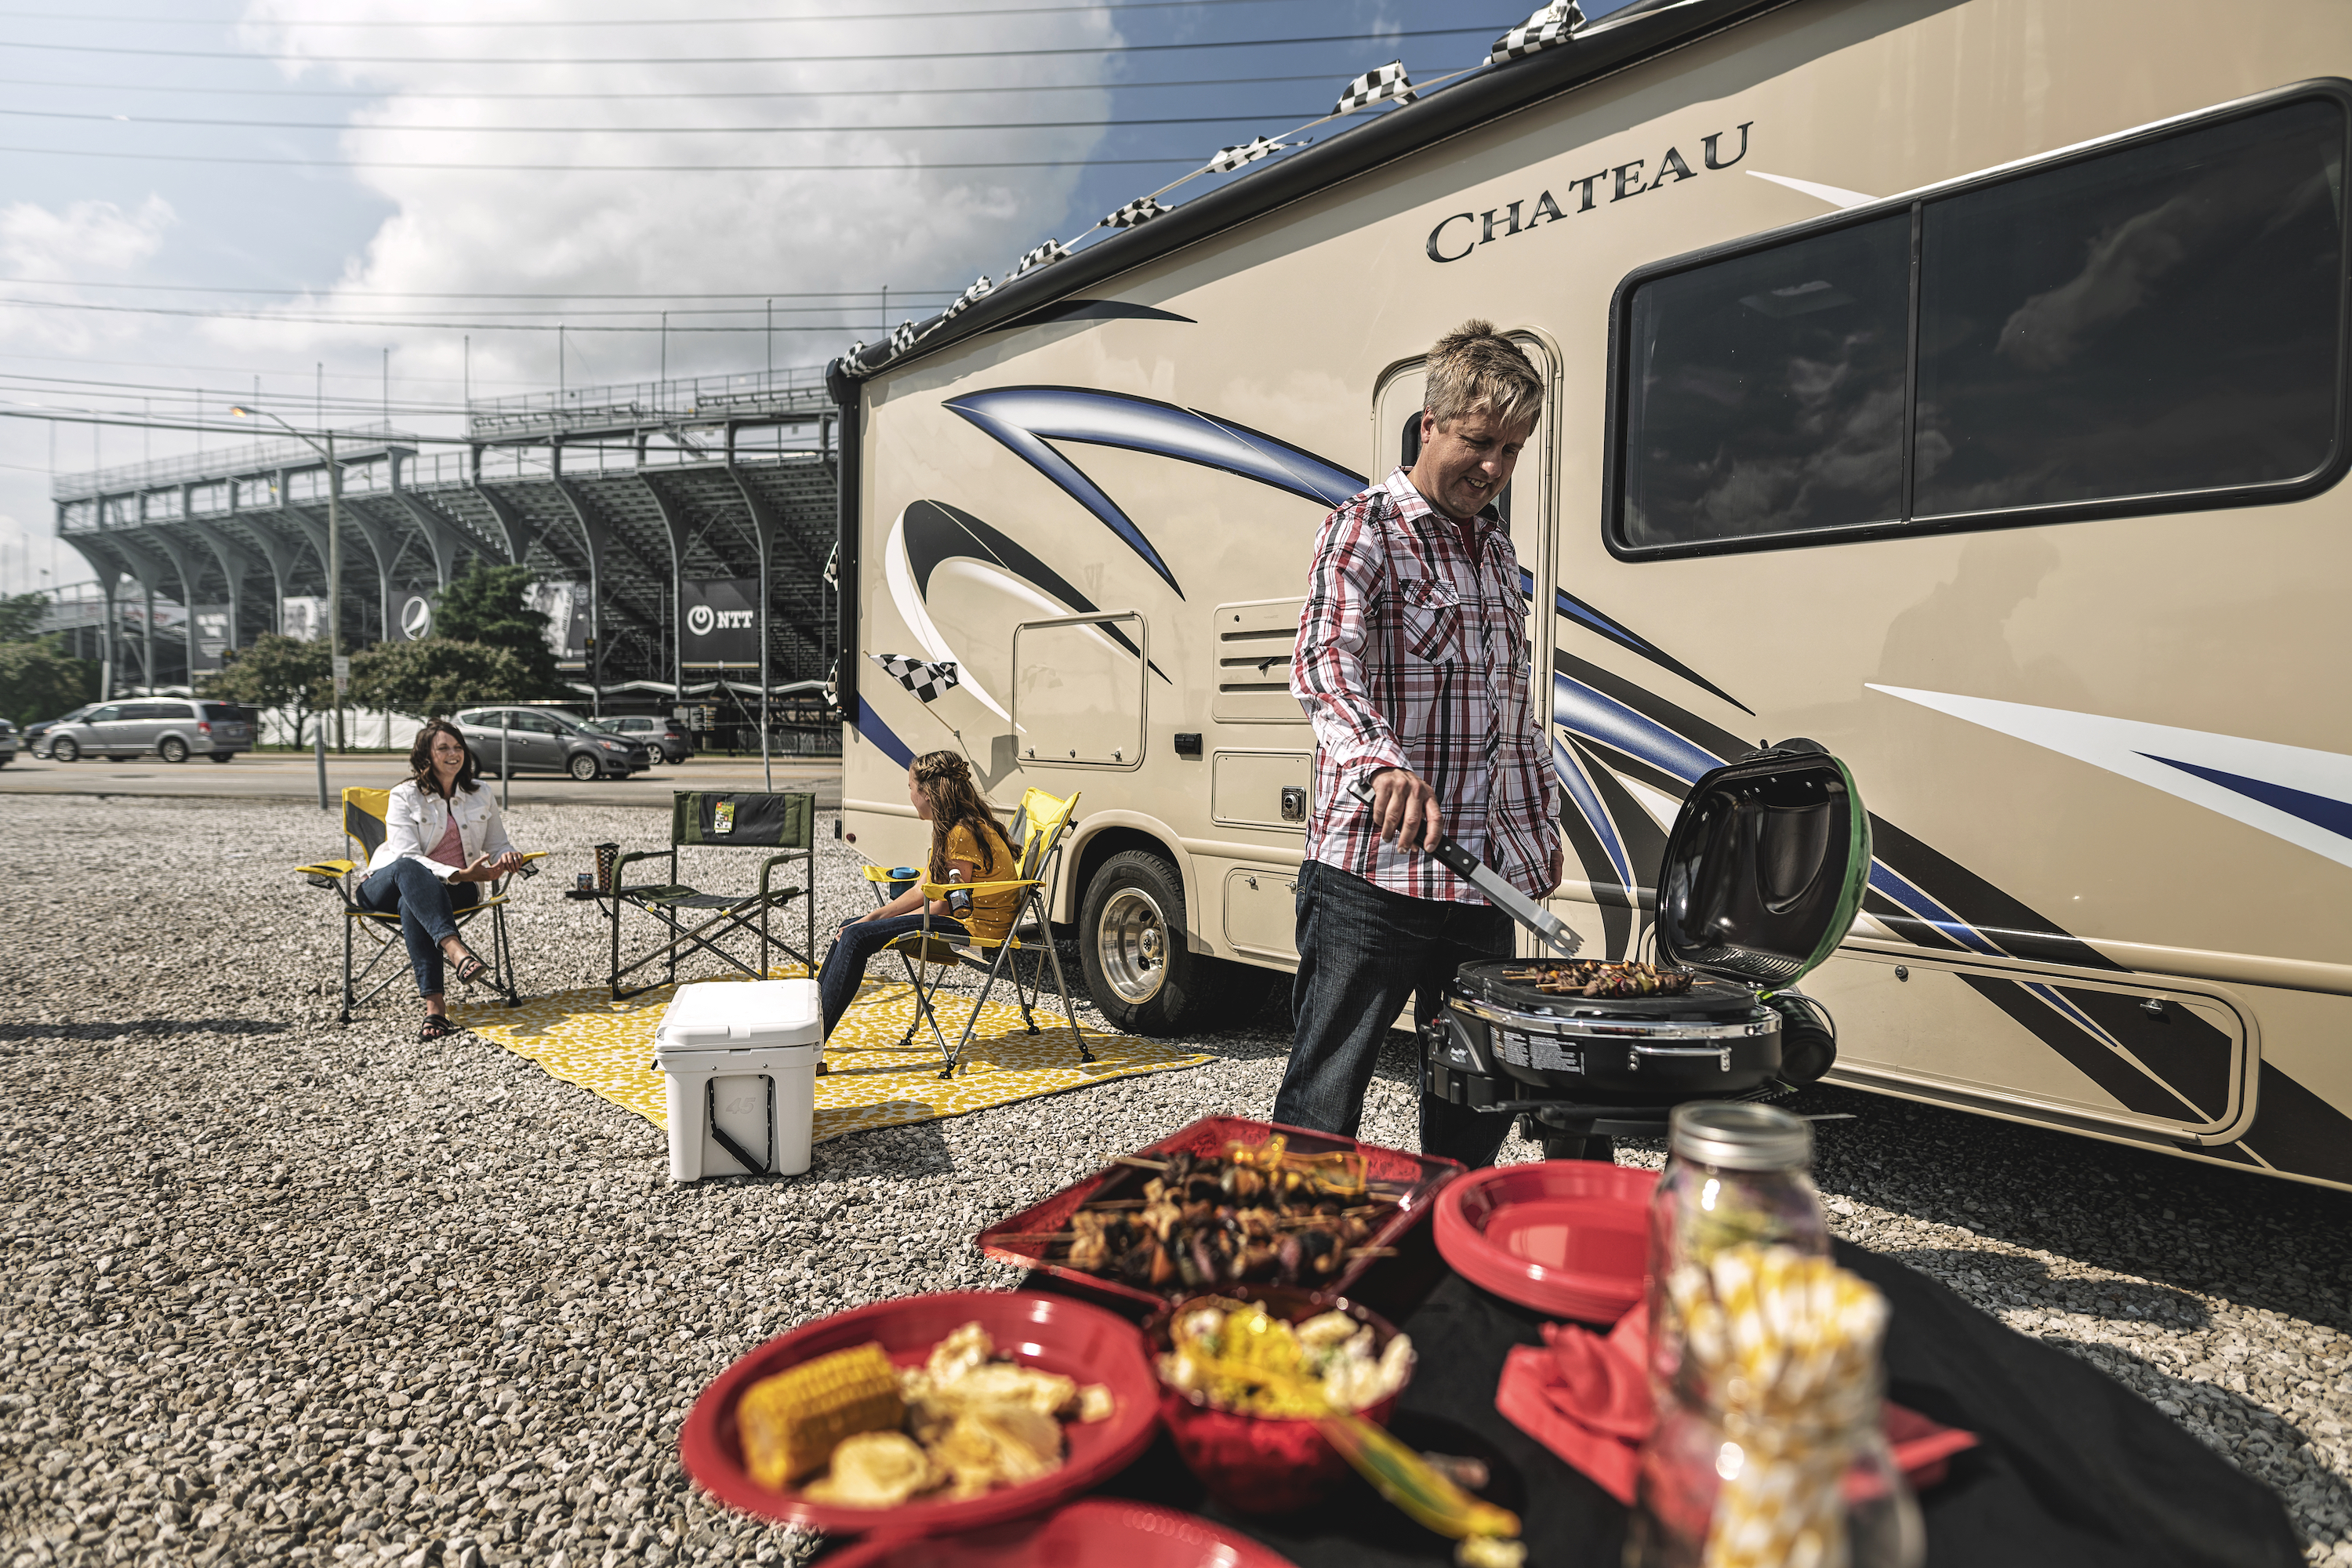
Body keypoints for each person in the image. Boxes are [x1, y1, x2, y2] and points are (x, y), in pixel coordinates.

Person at [1272, 321, 1561, 1169]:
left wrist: (1535, 836)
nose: (1495, 467)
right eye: (1479, 442)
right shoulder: (1365, 529)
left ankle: (1446, 1254)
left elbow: (1510, 712)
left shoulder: (1497, 551)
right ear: (1429, 422)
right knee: (1327, 1093)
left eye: (1513, 449)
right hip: (1372, 873)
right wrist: (1381, 762)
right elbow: (1324, 662)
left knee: (1478, 1092)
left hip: (1484, 878)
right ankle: (1296, 1261)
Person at [817, 750, 1021, 1044]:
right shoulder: (952, 827)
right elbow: (920, 890)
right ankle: (810, 1030)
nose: (910, 796)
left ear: (928, 793)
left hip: (974, 929)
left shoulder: (961, 833)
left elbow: (946, 904)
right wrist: (871, 918)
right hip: (961, 920)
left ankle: (811, 1045)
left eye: (911, 789)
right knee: (851, 927)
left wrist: (873, 927)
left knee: (857, 938)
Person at [359, 719, 529, 1041]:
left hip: (450, 891)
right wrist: (459, 873)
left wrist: (507, 855)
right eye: (443, 748)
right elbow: (405, 855)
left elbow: (497, 844)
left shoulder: (480, 793)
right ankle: (456, 950)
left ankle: (435, 1009)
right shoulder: (404, 795)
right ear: (426, 756)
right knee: (411, 870)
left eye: (458, 747)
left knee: (414, 902)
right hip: (384, 884)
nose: (453, 754)